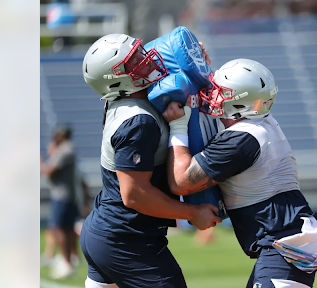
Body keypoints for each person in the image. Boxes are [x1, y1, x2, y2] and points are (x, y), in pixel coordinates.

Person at [163, 58, 317, 288]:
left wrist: (177, 127)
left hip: (283, 242)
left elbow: (181, 182)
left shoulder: (241, 139)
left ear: (239, 104)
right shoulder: (258, 123)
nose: (213, 96)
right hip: (286, 236)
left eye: (221, 92)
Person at [80, 33, 221, 288]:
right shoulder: (138, 122)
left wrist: (193, 59)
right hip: (126, 239)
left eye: (139, 52)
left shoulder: (132, 98)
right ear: (117, 79)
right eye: (135, 60)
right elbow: (134, 194)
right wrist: (192, 212)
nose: (146, 59)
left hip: (111, 231)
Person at [40, 125, 80, 279]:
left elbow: (49, 171)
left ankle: (66, 261)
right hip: (65, 196)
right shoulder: (66, 149)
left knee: (59, 228)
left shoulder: (65, 149)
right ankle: (67, 260)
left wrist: (42, 162)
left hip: (62, 196)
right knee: (66, 229)